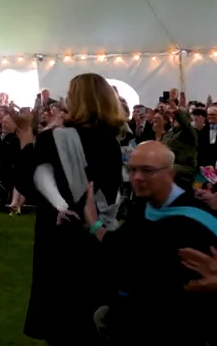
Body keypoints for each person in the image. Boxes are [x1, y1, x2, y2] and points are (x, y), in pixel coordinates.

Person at [23, 73, 126, 345]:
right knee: (91, 317)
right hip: (95, 232)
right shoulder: (111, 141)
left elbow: (28, 184)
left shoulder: (54, 139)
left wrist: (27, 140)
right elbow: (110, 190)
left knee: (62, 322)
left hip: (58, 237)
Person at [80, 141, 217, 342]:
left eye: (147, 170)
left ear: (170, 173)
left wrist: (93, 221)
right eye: (132, 169)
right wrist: (93, 221)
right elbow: (120, 247)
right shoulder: (146, 205)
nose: (136, 177)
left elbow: (156, 282)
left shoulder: (191, 225)